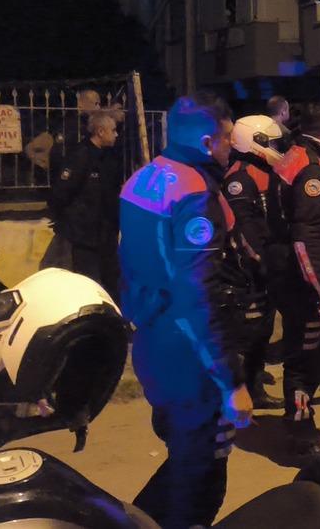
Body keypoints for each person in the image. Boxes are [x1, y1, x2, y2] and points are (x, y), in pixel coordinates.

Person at [119, 93, 252, 529]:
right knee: (201, 482)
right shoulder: (194, 192)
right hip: (189, 356)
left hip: (152, 339)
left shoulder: (142, 178)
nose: (232, 147)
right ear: (208, 142)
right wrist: (231, 381)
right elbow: (198, 296)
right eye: (227, 138)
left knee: (183, 463)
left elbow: (128, 261)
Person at [273, 102, 320, 456]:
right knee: (305, 355)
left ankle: (299, 420)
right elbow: (306, 237)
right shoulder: (311, 168)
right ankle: (300, 431)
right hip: (303, 278)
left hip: (288, 270)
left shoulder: (293, 154)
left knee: (303, 351)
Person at [223, 115, 288, 410]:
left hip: (265, 265)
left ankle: (254, 383)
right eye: (272, 143)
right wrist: (261, 259)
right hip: (247, 271)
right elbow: (244, 226)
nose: (277, 148)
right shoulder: (240, 178)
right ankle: (245, 390)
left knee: (262, 328)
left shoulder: (262, 172)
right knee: (248, 333)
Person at [41, 110, 122, 296]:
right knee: (89, 283)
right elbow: (62, 193)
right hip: (85, 236)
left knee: (112, 282)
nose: (116, 134)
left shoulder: (109, 157)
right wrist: (70, 221)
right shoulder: (80, 155)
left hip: (106, 233)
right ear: (100, 132)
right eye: (113, 130)